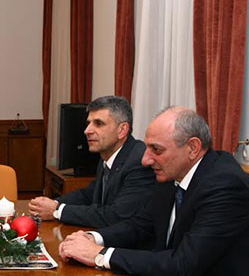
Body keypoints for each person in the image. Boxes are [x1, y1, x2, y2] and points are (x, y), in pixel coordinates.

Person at [59, 107, 249, 276]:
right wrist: (92, 238)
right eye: (146, 148)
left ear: (192, 148)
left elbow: (183, 265)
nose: (145, 160)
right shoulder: (172, 172)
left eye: (157, 150)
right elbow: (140, 225)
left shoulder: (226, 186)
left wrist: (100, 255)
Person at [29, 96, 155, 227]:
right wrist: (52, 203)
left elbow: (115, 215)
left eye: (98, 124)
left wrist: (57, 211)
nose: (87, 131)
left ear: (122, 130)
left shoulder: (139, 162)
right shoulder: (107, 156)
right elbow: (89, 195)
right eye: (88, 123)